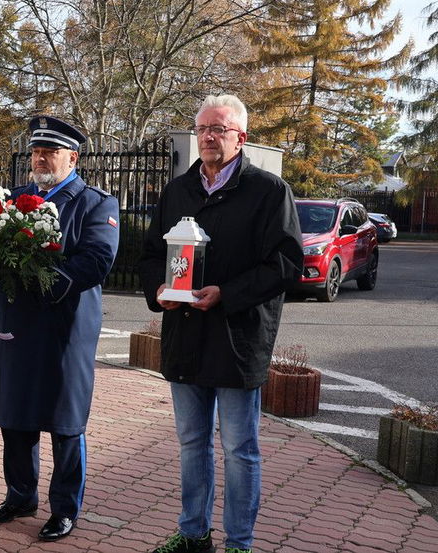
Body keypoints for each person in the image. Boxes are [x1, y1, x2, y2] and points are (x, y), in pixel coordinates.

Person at [140, 94, 303, 553]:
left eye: (219, 129)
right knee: (192, 443)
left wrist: (226, 294)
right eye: (203, 129)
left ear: (240, 138)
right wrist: (159, 289)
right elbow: (151, 255)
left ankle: (239, 543)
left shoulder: (269, 191)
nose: (209, 137)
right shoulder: (178, 191)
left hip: (237, 338)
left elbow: (286, 264)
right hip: (185, 335)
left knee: (239, 449)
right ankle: (193, 535)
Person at [0, 116, 120, 541]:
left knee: (64, 420)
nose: (40, 159)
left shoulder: (95, 203)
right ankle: (20, 495)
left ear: (72, 158)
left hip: (63, 328)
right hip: (14, 325)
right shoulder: (11, 200)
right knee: (14, 413)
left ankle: (64, 509)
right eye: (37, 151)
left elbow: (97, 258)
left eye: (50, 152)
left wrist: (42, 281)